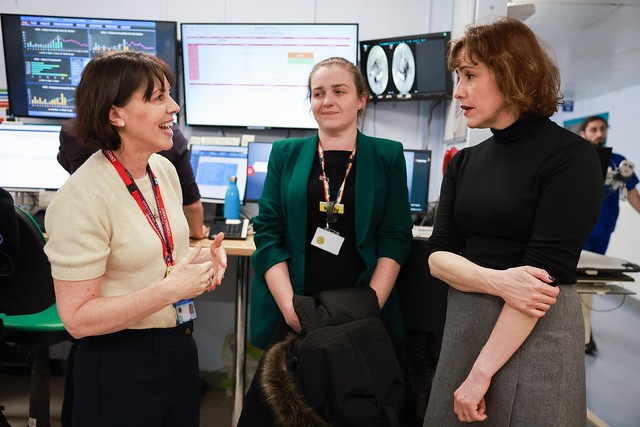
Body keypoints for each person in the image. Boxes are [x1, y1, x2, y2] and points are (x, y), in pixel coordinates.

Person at [423, 17, 603, 425]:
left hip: (536, 331)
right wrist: (499, 281)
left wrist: (480, 374)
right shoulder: (465, 162)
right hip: (466, 326)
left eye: (470, 75)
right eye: (457, 76)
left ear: (512, 74)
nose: (459, 91)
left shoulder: (571, 158)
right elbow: (437, 258)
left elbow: (541, 279)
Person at [43, 50, 227, 426]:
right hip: (118, 363)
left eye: (169, 95)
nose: (173, 107)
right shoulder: (81, 197)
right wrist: (170, 291)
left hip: (177, 347)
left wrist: (200, 261)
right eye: (158, 97)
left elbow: (157, 257)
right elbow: (77, 319)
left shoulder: (162, 169)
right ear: (116, 114)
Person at [238, 57, 413, 425]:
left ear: (361, 99)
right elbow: (268, 232)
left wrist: (369, 306)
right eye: (318, 93)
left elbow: (395, 236)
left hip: (362, 310)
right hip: (297, 307)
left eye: (339, 91)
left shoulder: (387, 154)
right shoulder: (286, 154)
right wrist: (288, 308)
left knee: (352, 412)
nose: (327, 101)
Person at [57, 118, 207, 239]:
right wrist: (197, 231)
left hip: (87, 230)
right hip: (143, 239)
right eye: (158, 97)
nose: (173, 107)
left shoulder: (71, 132)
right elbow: (192, 204)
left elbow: (70, 167)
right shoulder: (168, 136)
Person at [578, 115, 640, 355]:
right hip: (577, 228)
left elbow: (633, 195)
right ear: (583, 133)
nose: (599, 133)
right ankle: (583, 333)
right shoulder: (577, 157)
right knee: (575, 281)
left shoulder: (618, 162)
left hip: (602, 231)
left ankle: (584, 331)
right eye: (593, 129)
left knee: (589, 281)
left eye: (602, 129)